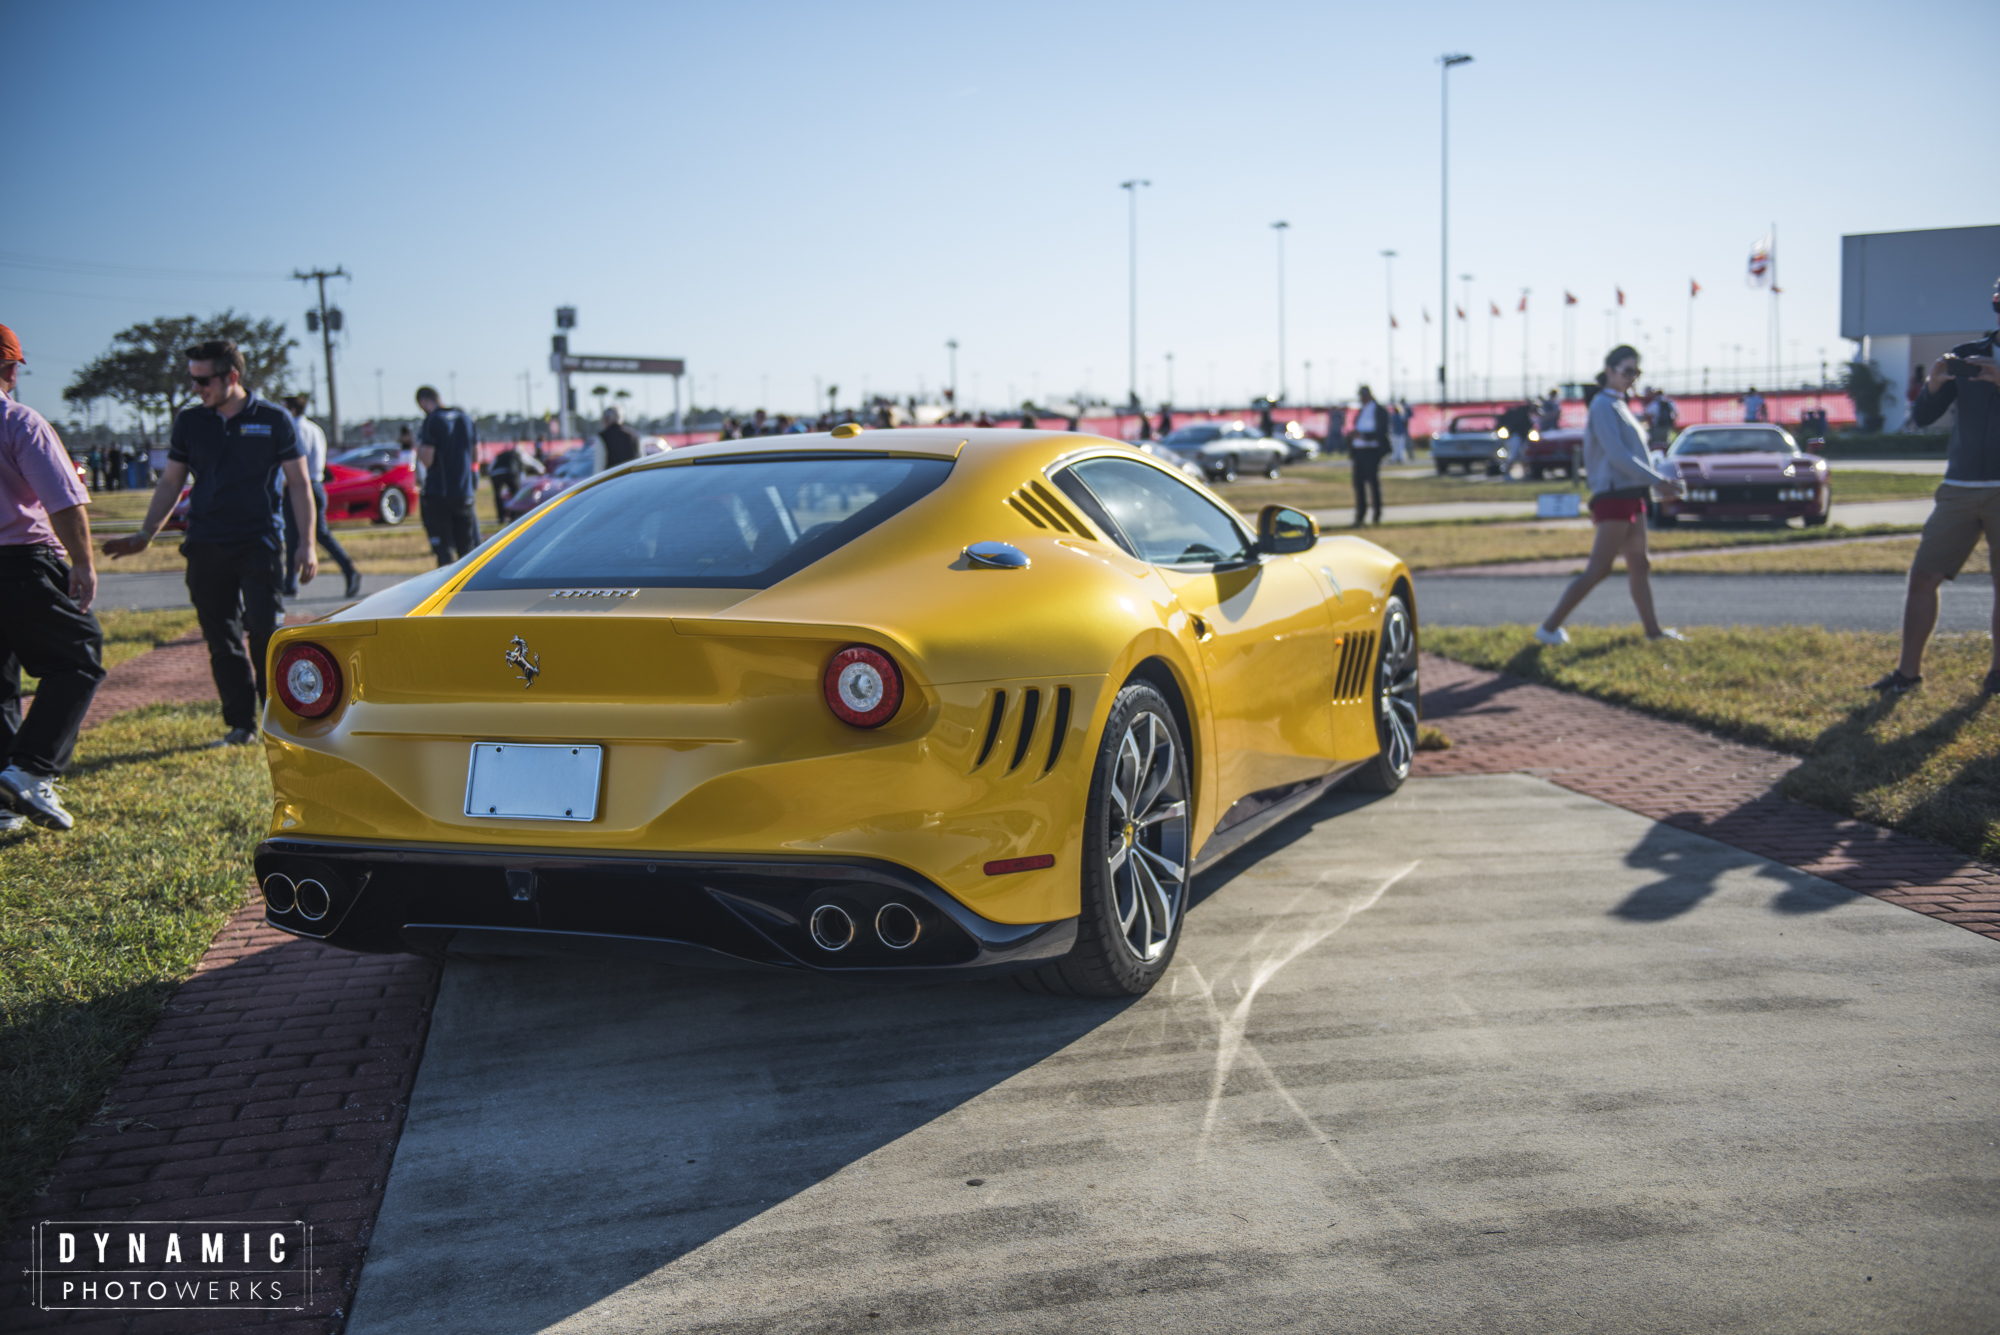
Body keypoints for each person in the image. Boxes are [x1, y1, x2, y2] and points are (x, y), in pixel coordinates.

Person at [102, 338, 318, 747]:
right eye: (192, 379)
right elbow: (171, 481)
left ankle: (279, 724)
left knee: (265, 634)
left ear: (231, 377)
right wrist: (144, 535)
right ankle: (241, 727)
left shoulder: (273, 419)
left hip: (259, 542)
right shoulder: (190, 422)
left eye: (203, 380)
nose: (196, 388)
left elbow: (299, 483)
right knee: (221, 639)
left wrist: (306, 544)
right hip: (205, 545)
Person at [1870, 277, 2000, 698]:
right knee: (1924, 575)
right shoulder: (1967, 355)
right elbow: (1923, 418)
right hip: (1959, 485)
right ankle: (1907, 675)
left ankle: (1997, 675)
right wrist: (1936, 384)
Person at [0, 321, 104, 831]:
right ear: (12, 369)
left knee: (0, 683)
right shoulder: (19, 422)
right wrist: (82, 564)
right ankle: (30, 768)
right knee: (79, 654)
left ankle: (2, 802)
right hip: (21, 562)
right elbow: (62, 502)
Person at [1535, 346, 1686, 645]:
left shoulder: (1619, 404)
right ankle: (1548, 628)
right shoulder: (1603, 405)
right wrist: (1657, 481)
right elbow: (1617, 455)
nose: (1633, 377)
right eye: (1627, 370)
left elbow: (1633, 454)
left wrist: (1656, 479)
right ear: (1609, 371)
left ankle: (1653, 633)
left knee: (1640, 564)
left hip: (1631, 492)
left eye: (1637, 372)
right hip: (1614, 494)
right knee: (1599, 569)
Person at [279, 395, 360, 599]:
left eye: (284, 408)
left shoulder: (295, 430)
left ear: (293, 410)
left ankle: (350, 570)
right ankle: (289, 583)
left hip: (301, 486)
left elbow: (296, 466)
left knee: (305, 534)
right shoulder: (316, 429)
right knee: (308, 534)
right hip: (317, 484)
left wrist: (281, 487)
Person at [414, 385, 481, 566]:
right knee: (467, 551)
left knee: (444, 553)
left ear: (424, 402)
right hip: (464, 493)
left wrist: (417, 448)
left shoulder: (432, 421)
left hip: (440, 495)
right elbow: (476, 455)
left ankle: (448, 592)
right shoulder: (466, 418)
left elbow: (427, 459)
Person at [1348, 385, 1389, 526]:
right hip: (1359, 451)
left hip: (1372, 451)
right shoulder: (1361, 411)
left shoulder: (1379, 411)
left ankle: (1377, 515)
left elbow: (1381, 431)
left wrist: (1364, 436)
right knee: (1358, 484)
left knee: (1373, 483)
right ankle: (1360, 515)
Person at [488, 439, 525, 525]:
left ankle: (501, 518)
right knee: (516, 493)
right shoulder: (517, 454)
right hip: (510, 472)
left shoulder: (500, 455)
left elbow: (490, 467)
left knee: (498, 495)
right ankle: (514, 515)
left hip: (496, 473)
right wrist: (542, 469)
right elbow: (530, 462)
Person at [594, 405, 639, 473]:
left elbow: (599, 468)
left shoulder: (603, 437)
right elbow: (640, 462)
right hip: (631, 480)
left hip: (613, 481)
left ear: (607, 418)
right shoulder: (634, 436)